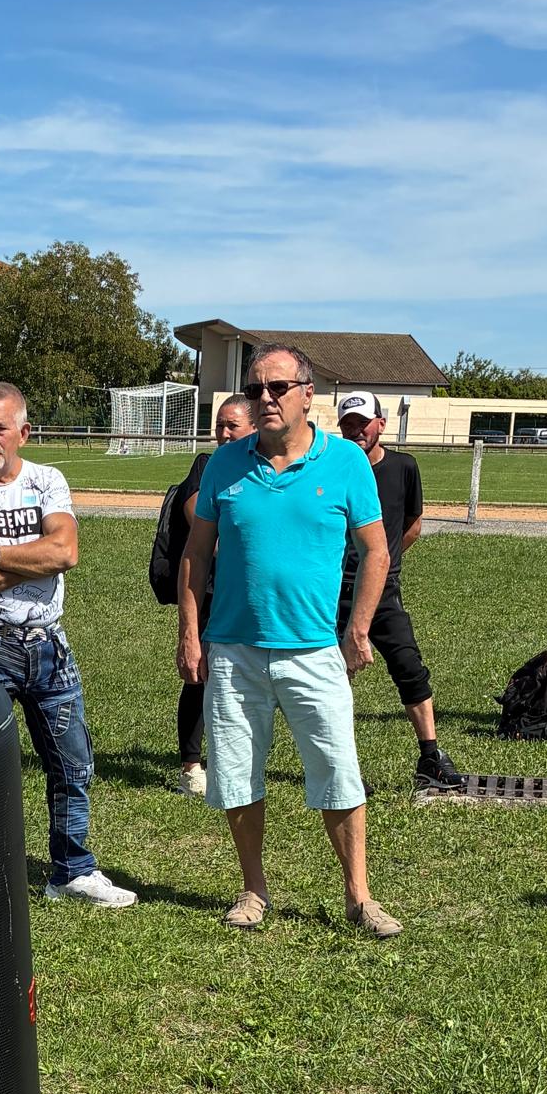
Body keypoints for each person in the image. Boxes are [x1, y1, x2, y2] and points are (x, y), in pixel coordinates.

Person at [177, 344, 399, 936]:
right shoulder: (226, 464)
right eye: (256, 390)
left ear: (308, 394)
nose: (265, 399)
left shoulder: (347, 462)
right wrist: (190, 633)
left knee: (337, 770)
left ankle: (359, 897)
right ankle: (253, 890)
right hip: (234, 650)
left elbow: (376, 550)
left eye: (277, 387)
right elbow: (196, 555)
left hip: (312, 649)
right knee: (237, 773)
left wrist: (357, 628)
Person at [0, 382, 136, 907]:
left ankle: (70, 871)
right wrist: (27, 562)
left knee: (72, 763)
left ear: (23, 431)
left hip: (48, 645)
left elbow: (65, 552)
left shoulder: (48, 481)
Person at [334, 390, 464, 789]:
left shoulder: (404, 467)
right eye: (348, 425)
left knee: (409, 667)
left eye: (363, 423)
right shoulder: (333, 469)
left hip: (383, 590)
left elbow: (413, 524)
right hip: (334, 591)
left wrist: (383, 560)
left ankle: (430, 756)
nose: (357, 431)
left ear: (381, 424)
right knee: (334, 678)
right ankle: (338, 765)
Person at [173, 393, 256, 796]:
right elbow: (198, 521)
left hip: (251, 594)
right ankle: (191, 765)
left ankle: (236, 760)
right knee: (200, 674)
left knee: (248, 676)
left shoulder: (264, 467)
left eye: (232, 425)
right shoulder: (207, 465)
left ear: (253, 427)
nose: (223, 433)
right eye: (220, 425)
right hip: (210, 589)